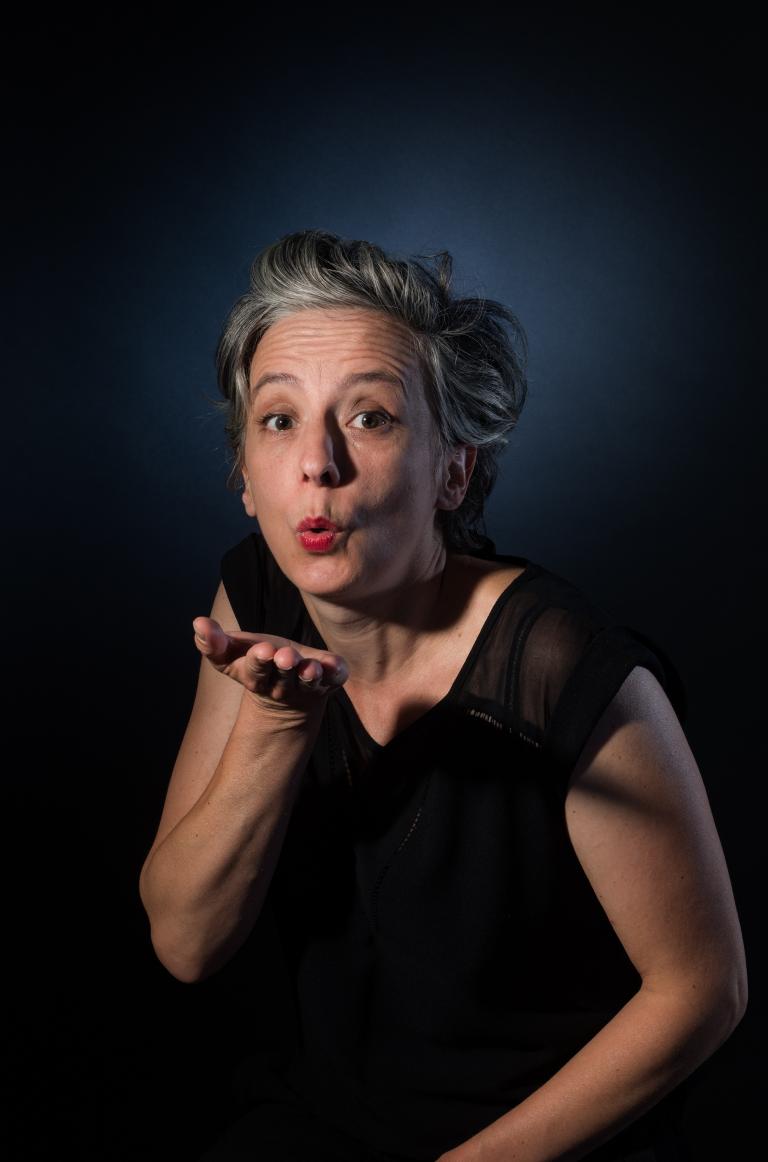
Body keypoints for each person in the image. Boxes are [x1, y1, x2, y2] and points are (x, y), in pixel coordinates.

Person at [138, 229, 747, 1162]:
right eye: (279, 419)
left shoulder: (564, 666)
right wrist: (274, 723)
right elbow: (186, 943)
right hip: (335, 1124)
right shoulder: (256, 599)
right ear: (245, 479)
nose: (317, 463)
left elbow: (703, 991)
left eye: (370, 417)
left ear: (452, 472)